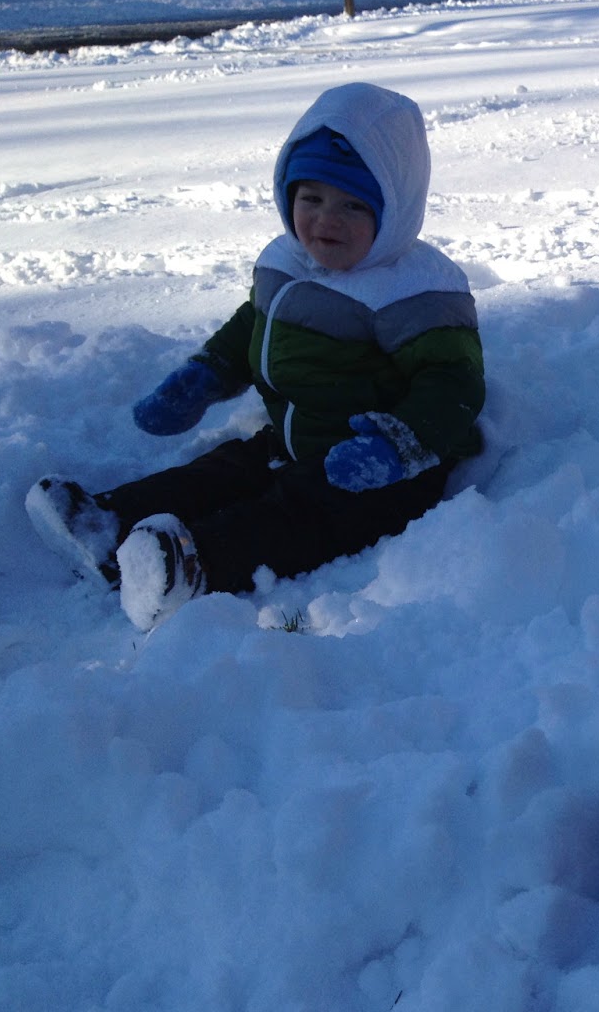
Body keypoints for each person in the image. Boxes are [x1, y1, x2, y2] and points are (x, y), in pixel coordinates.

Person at [25, 81, 485, 631]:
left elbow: (454, 384)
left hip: (378, 472)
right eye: (310, 198)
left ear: (395, 210)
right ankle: (106, 525)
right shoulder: (287, 263)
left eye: (352, 205)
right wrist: (206, 374)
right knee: (220, 472)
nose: (325, 220)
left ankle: (195, 568)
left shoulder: (413, 292)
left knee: (293, 515)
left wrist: (396, 446)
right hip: (294, 439)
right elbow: (253, 326)